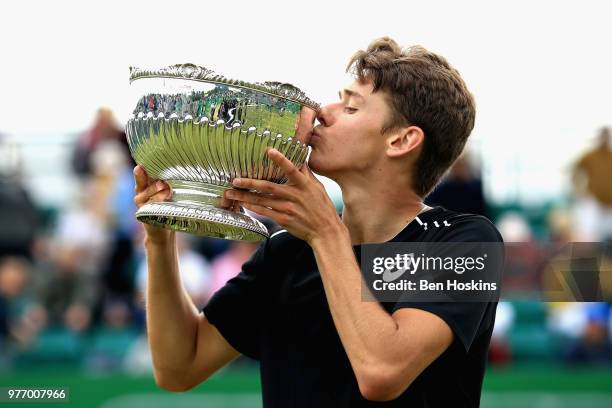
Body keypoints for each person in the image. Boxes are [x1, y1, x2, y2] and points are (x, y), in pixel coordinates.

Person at [134, 37, 503, 407]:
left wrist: (326, 233)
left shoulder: (467, 243)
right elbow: (179, 367)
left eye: (351, 107)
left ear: (401, 140)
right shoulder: (286, 252)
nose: (323, 111)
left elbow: (381, 372)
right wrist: (159, 237)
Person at [571, 127, 612, 241]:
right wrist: (579, 191)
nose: (604, 139)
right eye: (602, 136)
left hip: (610, 204)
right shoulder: (590, 156)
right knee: (589, 235)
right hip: (593, 202)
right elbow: (574, 171)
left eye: (607, 136)